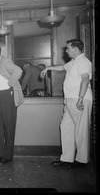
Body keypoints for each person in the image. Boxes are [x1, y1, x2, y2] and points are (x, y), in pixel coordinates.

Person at [40, 39, 93, 168]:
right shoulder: (73, 62)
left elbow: (85, 80)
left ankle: (82, 160)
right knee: (66, 127)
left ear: (75, 49)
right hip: (70, 99)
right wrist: (48, 68)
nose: (66, 50)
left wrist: (80, 98)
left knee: (81, 130)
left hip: (80, 99)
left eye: (68, 48)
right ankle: (67, 158)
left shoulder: (84, 62)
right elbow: (62, 67)